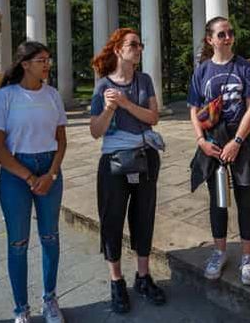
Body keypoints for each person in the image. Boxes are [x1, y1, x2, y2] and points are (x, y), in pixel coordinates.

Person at [188, 17, 250, 287]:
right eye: (222, 34)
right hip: (213, 143)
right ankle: (219, 251)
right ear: (210, 39)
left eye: (230, 33)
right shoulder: (202, 71)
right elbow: (194, 108)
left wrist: (237, 141)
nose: (227, 37)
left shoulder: (245, 68)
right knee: (218, 200)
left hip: (241, 143)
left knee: (245, 198)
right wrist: (201, 140)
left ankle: (247, 257)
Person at [0, 41, 67, 323]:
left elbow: (61, 141)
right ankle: (21, 308)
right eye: (42, 60)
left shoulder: (53, 95)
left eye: (49, 60)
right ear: (25, 63)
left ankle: (50, 299)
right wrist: (30, 177)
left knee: (50, 237)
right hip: (16, 173)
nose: (47, 64)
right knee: (18, 242)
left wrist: (52, 173)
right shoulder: (6, 96)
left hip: (49, 169)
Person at [89, 28, 166, 313]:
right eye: (133, 44)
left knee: (143, 217)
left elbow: (153, 117)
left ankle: (143, 276)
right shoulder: (102, 86)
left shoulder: (144, 80)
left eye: (140, 44)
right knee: (112, 219)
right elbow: (95, 131)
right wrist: (110, 108)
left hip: (145, 157)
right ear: (118, 50)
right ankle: (116, 281)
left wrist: (124, 103)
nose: (139, 49)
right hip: (114, 163)